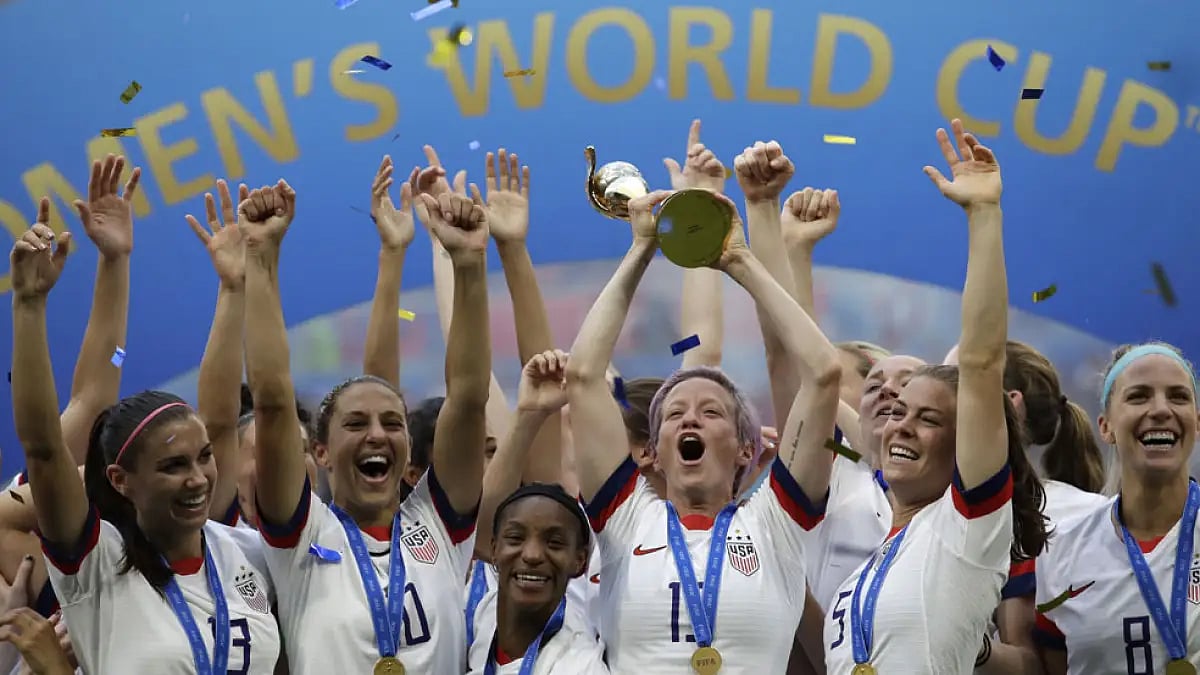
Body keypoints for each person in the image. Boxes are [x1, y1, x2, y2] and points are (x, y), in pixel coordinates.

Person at [568, 185, 843, 673]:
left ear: (744, 449)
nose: (690, 418)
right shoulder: (626, 518)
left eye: (711, 412)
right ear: (652, 452)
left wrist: (738, 261)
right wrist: (640, 251)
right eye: (674, 414)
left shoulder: (776, 523)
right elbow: (584, 375)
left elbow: (822, 372)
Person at [815, 119, 1048, 673]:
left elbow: (982, 359)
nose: (900, 426)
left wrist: (983, 215)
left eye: (927, 419)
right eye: (897, 413)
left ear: (963, 443)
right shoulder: (867, 568)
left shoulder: (964, 530)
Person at [10, 197, 280, 673]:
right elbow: (45, 448)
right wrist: (29, 306)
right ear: (120, 479)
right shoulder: (94, 562)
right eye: (173, 466)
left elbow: (218, 421)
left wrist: (235, 287)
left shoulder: (247, 553)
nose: (198, 478)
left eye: (202, 458)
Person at [246, 170, 490, 673]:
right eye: (355, 424)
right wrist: (261, 259)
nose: (377, 434)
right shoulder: (299, 536)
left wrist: (468, 263)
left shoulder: (441, 526)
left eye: (392, 424)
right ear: (318, 451)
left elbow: (467, 396)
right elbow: (271, 399)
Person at [1035, 342, 1199, 674]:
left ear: (1197, 423)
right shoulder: (1061, 551)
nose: (1161, 409)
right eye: (1138, 396)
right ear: (1106, 426)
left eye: (1178, 396)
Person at [470, 483, 608, 674]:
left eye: (554, 543)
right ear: (494, 550)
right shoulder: (480, 614)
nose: (532, 555)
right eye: (515, 538)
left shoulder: (582, 667)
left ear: (579, 560)